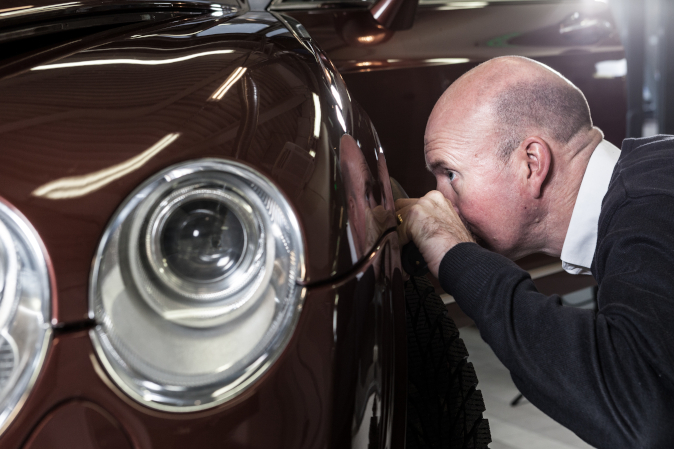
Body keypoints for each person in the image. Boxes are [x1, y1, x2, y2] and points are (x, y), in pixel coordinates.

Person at [395, 55, 674, 448]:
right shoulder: (652, 176)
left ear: (531, 163)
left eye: (450, 174)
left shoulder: (651, 207)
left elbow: (646, 419)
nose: (440, 200)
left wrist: (456, 255)